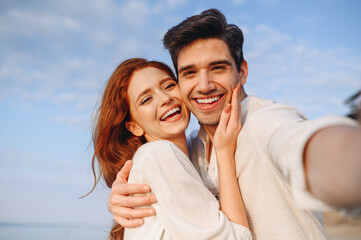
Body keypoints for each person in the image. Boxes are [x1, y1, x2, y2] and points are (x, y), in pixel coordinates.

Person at [108, 9, 361, 239]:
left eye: (217, 68)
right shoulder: (191, 148)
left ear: (242, 72)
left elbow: (297, 142)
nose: (204, 85)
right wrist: (118, 199)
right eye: (189, 73)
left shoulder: (262, 120)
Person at [91, 58, 252, 239]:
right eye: (146, 99)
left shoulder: (191, 153)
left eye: (168, 86)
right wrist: (224, 154)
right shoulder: (158, 153)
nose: (165, 99)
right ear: (134, 127)